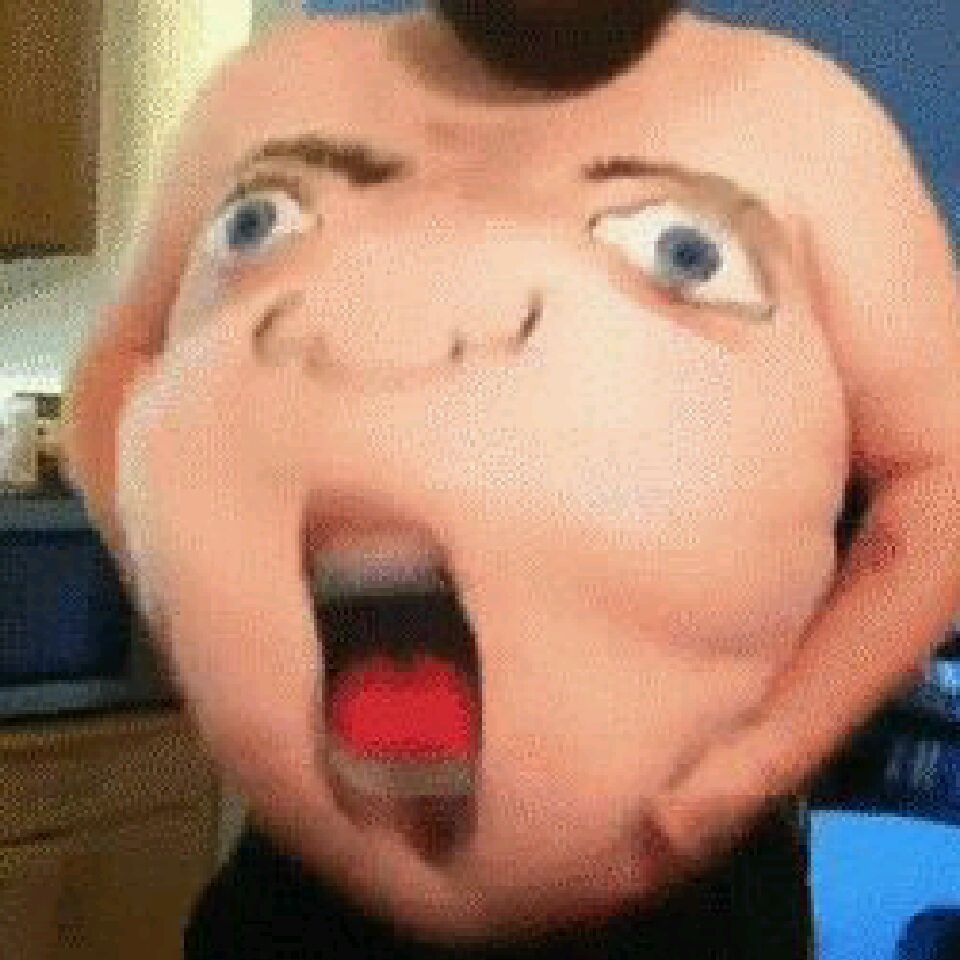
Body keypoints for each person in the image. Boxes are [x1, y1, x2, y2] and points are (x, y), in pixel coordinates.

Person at [61, 1, 958, 957]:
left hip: (680, 908)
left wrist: (752, 768)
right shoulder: (268, 91)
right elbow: (114, 369)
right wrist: (181, 588)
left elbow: (941, 479)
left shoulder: (804, 117)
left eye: (686, 253)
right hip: (306, 899)